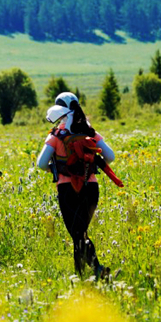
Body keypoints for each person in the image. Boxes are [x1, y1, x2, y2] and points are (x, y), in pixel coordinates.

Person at [36, 91, 116, 280]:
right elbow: (110, 157)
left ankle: (97, 268)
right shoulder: (89, 132)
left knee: (78, 233)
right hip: (91, 188)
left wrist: (55, 169)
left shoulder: (57, 135)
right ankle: (81, 274)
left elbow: (40, 163)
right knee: (80, 233)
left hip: (67, 189)